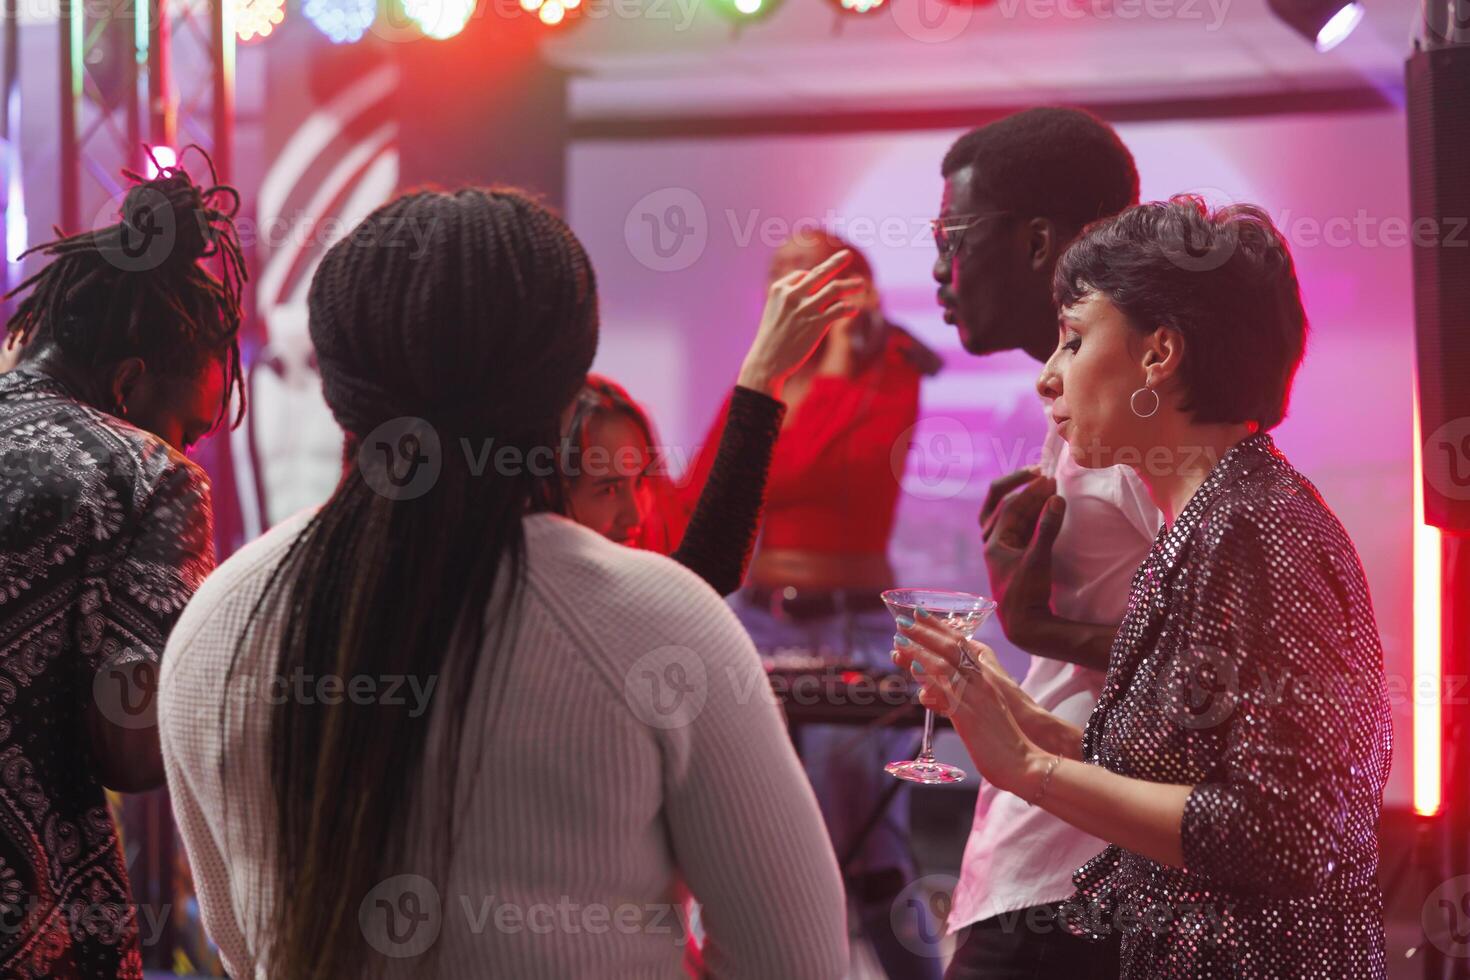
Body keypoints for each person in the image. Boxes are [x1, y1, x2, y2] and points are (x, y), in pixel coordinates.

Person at [157, 188, 851, 980]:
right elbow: (796, 961)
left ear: (336, 383)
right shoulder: (658, 621)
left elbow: (246, 949)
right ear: (566, 384)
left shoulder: (215, 627)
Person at [894, 197, 1392, 979]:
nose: (1048, 380)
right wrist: (1017, 718)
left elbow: (1280, 835)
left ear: (1159, 355)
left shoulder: (1253, 529)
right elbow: (1180, 774)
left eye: (1074, 339)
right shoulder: (1208, 521)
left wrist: (1030, 769)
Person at [930, 106, 1159, 979]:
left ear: (1036, 245)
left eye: (952, 235)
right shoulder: (1085, 412)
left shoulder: (1139, 419)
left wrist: (1041, 630)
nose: (941, 269)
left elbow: (1227, 653)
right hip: (1060, 864)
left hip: (1080, 881)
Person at [0, 159, 244, 976]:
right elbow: (134, 752)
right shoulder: (149, 475)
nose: (188, 447)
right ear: (131, 384)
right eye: (191, 426)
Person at [677, 231, 942, 980]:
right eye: (782, 281)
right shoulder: (765, 381)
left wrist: (826, 354)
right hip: (756, 620)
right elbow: (706, 489)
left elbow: (815, 459)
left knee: (865, 840)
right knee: (752, 830)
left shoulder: (893, 367)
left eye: (813, 279)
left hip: (854, 623)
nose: (794, 294)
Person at [560, 247, 863, 596]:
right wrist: (762, 376)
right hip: (766, 607)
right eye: (608, 488)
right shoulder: (755, 385)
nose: (634, 515)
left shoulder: (889, 370)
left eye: (641, 482)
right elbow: (701, 505)